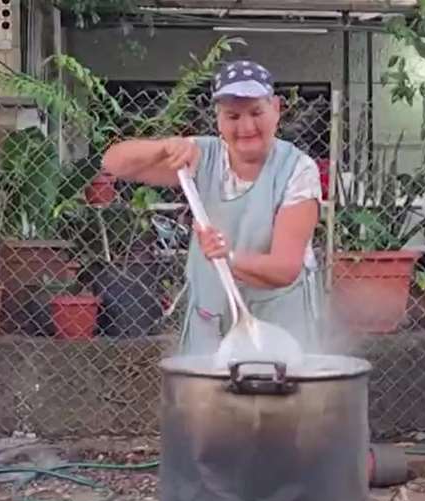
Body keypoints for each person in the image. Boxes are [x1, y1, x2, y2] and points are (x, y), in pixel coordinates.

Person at [102, 59, 324, 354]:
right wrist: (165, 147)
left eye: (256, 112)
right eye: (232, 116)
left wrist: (227, 257)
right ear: (218, 119)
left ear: (276, 109)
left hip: (281, 331)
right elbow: (113, 163)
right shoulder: (200, 156)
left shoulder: (297, 170)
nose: (246, 126)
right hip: (210, 323)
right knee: (206, 399)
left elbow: (285, 268)